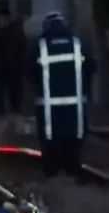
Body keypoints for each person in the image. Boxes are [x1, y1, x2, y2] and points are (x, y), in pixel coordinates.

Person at [28, 11, 96, 178]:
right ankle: (73, 174)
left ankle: (53, 176)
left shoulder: (39, 47)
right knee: (74, 144)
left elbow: (29, 73)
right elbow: (92, 68)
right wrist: (84, 90)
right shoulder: (78, 45)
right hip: (76, 108)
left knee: (51, 146)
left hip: (48, 109)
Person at [0, 12, 28, 115]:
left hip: (9, 65)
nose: (3, 21)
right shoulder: (13, 31)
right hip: (4, 65)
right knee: (3, 90)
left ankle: (11, 110)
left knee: (10, 90)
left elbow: (22, 48)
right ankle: (6, 111)